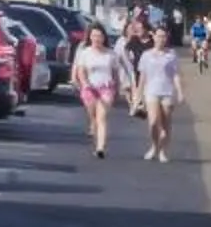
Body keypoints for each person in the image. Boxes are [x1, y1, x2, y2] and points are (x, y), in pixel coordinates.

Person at [73, 23, 124, 158]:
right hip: (89, 87)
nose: (97, 38)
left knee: (102, 117)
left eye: (99, 36)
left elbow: (115, 74)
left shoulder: (111, 54)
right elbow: (81, 72)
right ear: (90, 37)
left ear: (104, 37)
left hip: (106, 87)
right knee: (94, 117)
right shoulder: (85, 53)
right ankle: (94, 133)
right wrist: (85, 84)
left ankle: (100, 147)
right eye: (94, 36)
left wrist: (117, 89)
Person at [136, 24, 185, 162]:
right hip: (151, 91)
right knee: (153, 122)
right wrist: (138, 95)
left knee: (166, 123)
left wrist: (180, 91)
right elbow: (142, 76)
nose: (161, 39)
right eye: (159, 36)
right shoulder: (146, 55)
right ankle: (154, 146)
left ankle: (163, 151)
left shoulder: (171, 54)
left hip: (167, 91)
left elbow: (175, 74)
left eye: (164, 36)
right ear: (153, 36)